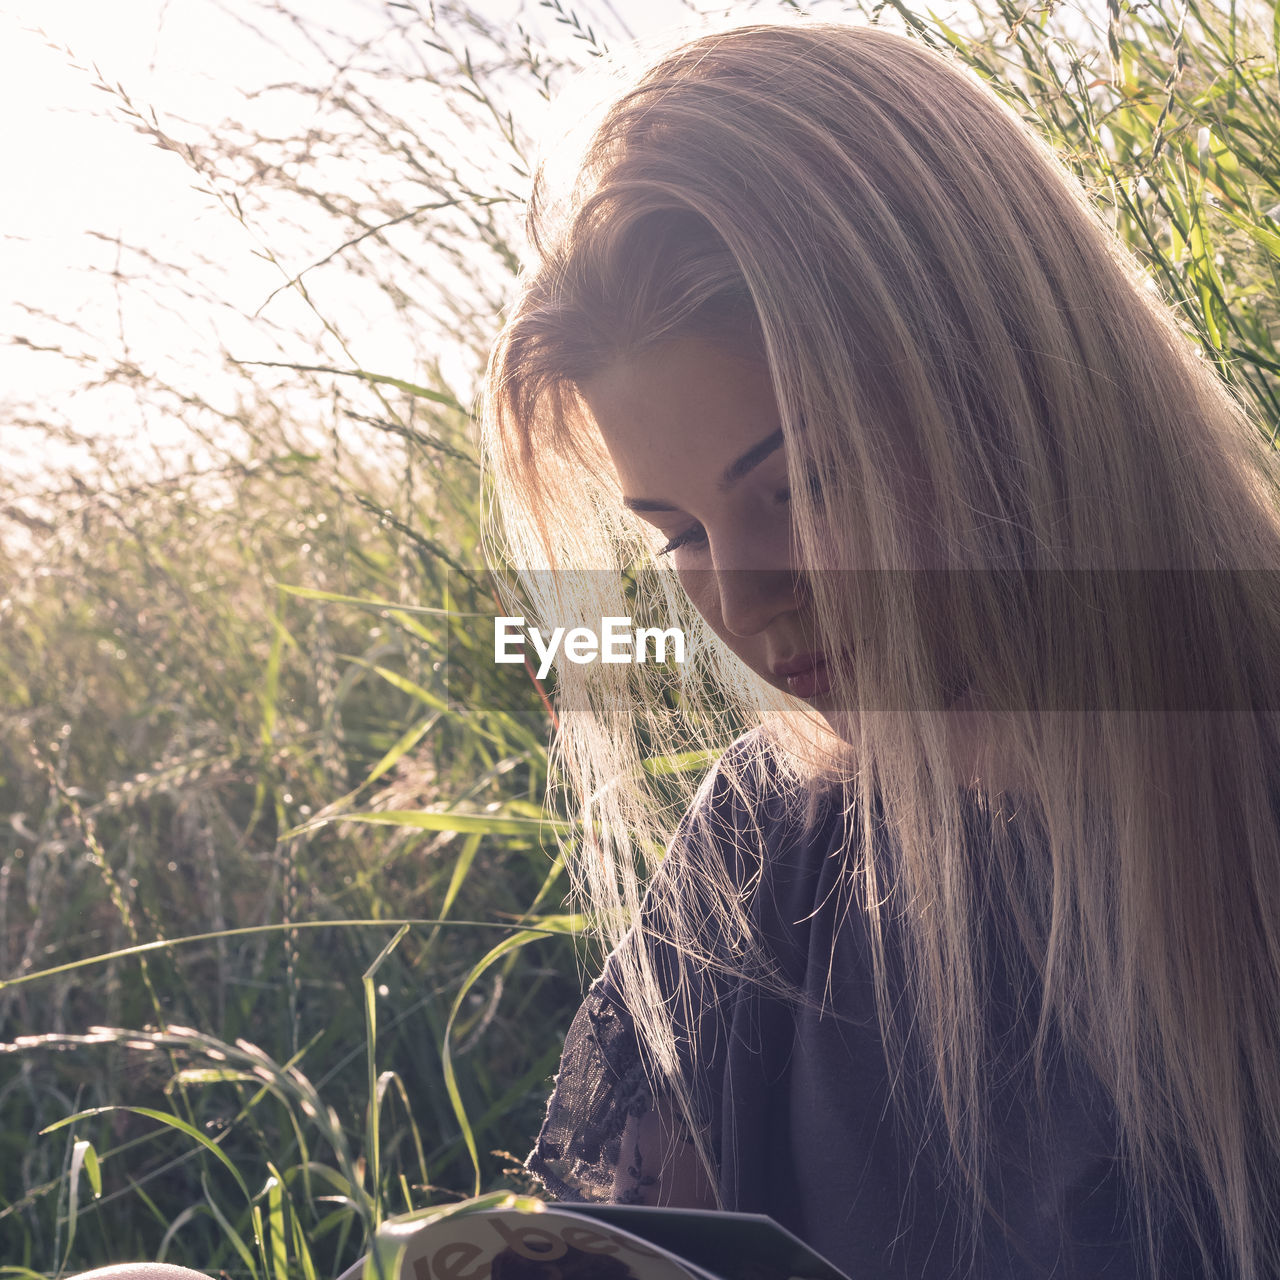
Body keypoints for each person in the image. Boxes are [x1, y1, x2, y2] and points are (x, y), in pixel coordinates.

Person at [482, 18, 1280, 1280]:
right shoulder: (763, 835)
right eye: (676, 532)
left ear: (1008, 387)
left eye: (803, 483)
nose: (743, 598)